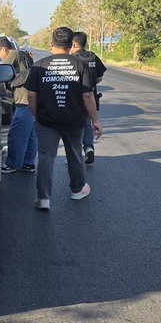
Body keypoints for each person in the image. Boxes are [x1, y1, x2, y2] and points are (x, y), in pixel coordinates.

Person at [25, 27, 102, 211]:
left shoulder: (39, 65)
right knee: (75, 153)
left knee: (46, 157)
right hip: (74, 120)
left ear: (52, 43)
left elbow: (31, 96)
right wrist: (95, 120)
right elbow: (87, 95)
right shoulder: (80, 65)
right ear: (71, 44)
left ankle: (43, 198)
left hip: (46, 120)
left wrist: (37, 116)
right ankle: (77, 189)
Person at [0, 38, 37, 174]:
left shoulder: (13, 54)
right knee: (30, 134)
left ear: (4, 49)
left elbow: (0, 70)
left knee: (16, 134)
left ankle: (12, 164)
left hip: (24, 101)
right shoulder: (23, 54)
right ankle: (28, 163)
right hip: (31, 100)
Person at [71, 31, 107, 164]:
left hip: (73, 98)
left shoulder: (71, 59)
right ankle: (88, 148)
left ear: (73, 44)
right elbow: (100, 77)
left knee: (72, 126)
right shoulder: (93, 57)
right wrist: (89, 84)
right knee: (86, 123)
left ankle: (74, 154)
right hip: (90, 96)